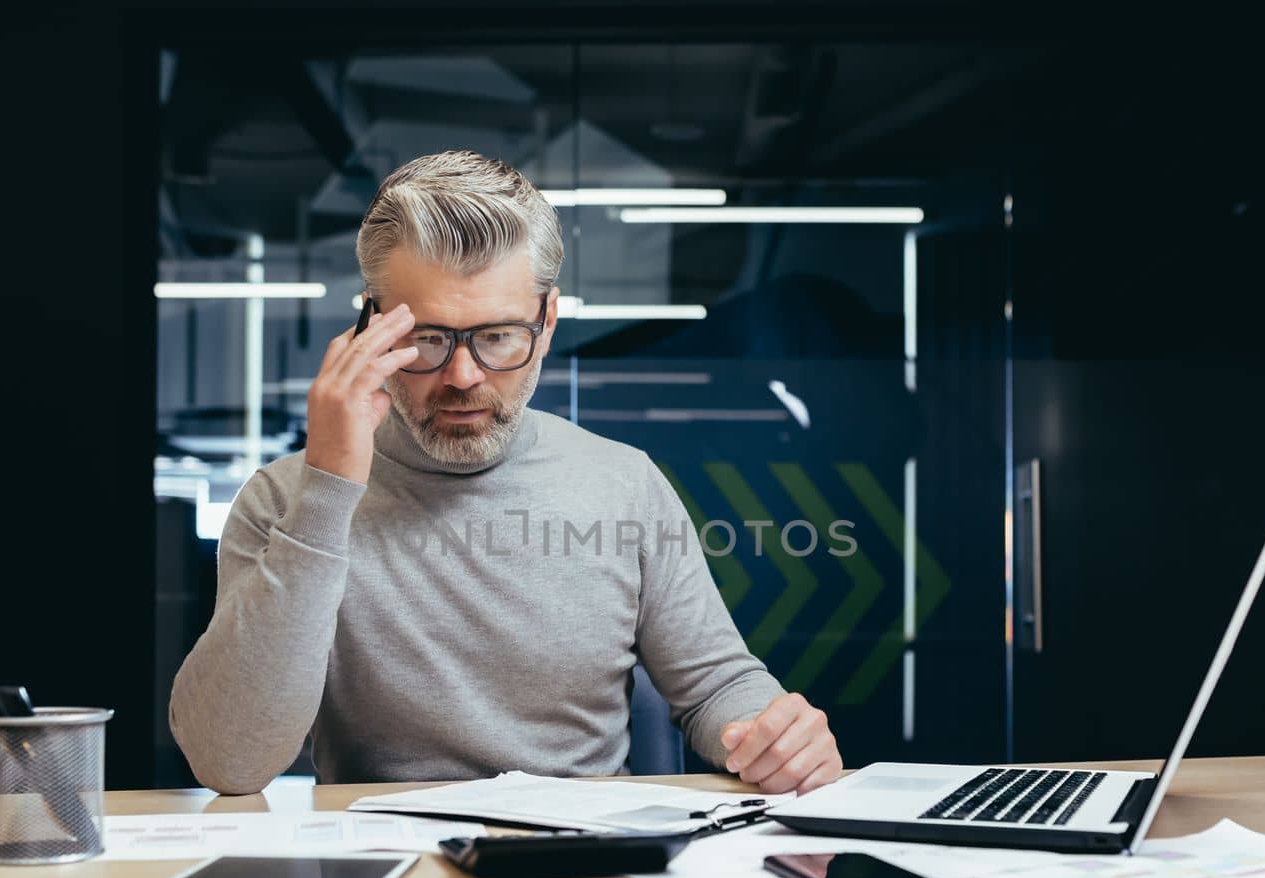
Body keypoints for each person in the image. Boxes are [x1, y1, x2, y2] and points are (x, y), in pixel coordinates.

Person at [170, 150, 842, 796]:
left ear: (546, 322)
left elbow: (717, 685)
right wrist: (329, 484)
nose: (463, 376)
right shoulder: (286, 499)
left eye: (497, 338)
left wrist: (771, 733)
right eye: (428, 339)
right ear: (372, 325)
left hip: (583, 874)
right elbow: (230, 759)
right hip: (390, 877)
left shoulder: (625, 484)